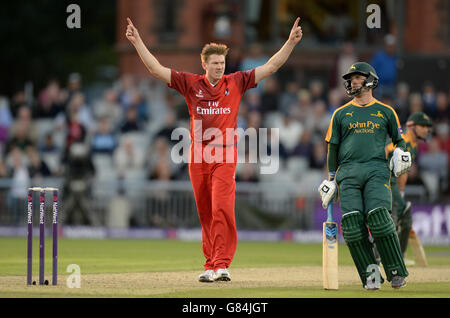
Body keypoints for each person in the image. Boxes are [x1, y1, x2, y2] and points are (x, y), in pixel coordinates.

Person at [126, 16, 303, 282]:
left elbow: (272, 65)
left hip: (224, 155)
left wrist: (290, 42)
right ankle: (210, 265)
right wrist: (138, 40)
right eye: (216, 63)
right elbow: (155, 69)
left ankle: (222, 264)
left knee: (222, 208)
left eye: (222, 63)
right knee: (206, 212)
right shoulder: (190, 84)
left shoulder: (237, 81)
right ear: (205, 64)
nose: (220, 67)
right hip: (197, 157)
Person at [318, 62, 411, 290]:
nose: (352, 82)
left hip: (377, 169)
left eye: (357, 77)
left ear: (370, 81)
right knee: (351, 225)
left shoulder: (386, 111)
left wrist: (402, 155)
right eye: (351, 79)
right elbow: (333, 148)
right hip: (347, 173)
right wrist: (331, 178)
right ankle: (371, 276)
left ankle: (396, 272)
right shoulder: (341, 114)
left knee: (379, 218)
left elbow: (400, 142)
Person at [385, 112, 432, 265]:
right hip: (385, 180)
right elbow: (386, 150)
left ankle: (399, 256)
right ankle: (383, 257)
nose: (426, 130)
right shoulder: (403, 140)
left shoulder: (414, 146)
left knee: (404, 217)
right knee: (394, 218)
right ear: (411, 126)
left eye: (427, 127)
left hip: (393, 183)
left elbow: (403, 172)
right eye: (423, 126)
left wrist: (401, 192)